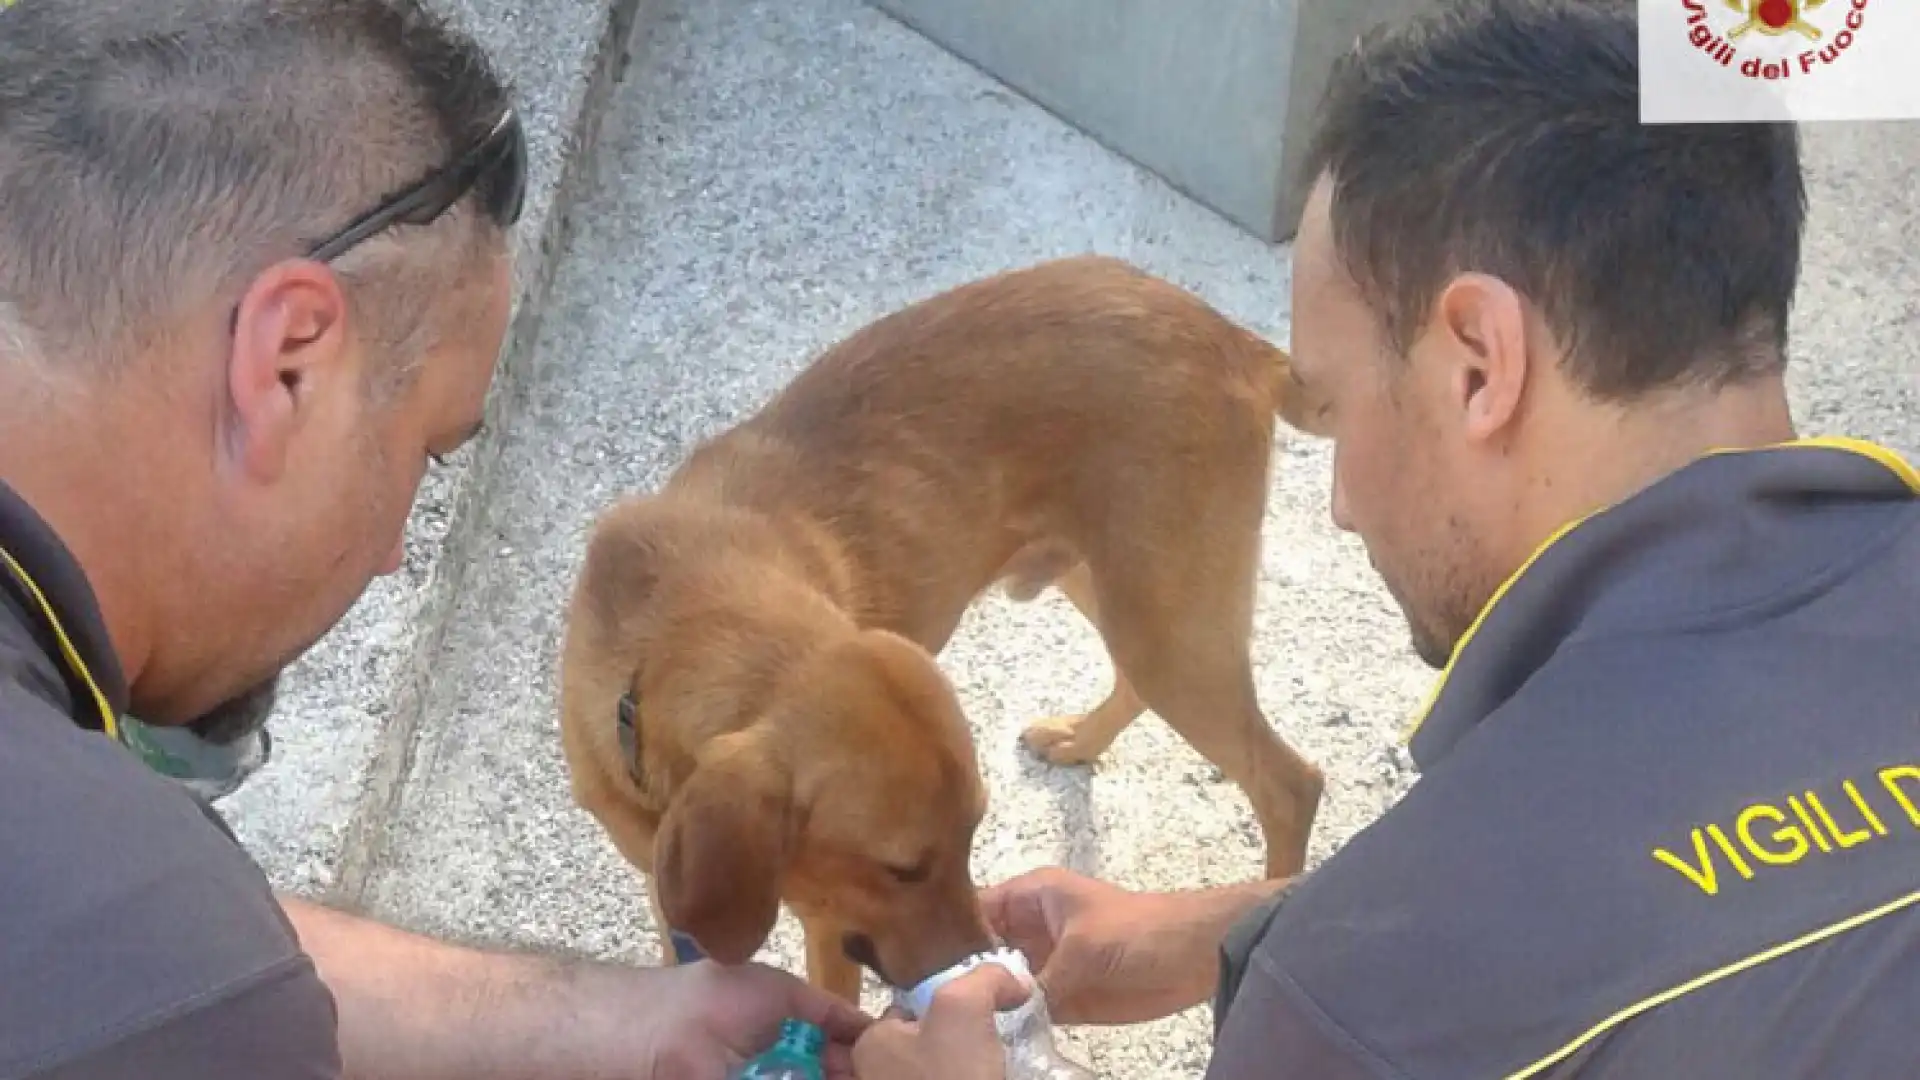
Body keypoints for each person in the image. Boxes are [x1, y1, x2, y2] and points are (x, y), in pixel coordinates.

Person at [853, 0, 1920, 1076]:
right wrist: (1260, 928)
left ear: (1479, 365)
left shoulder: (1362, 1018)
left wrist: (1320, 967)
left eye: (1335, 409)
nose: (1342, 504)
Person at [0, 1, 867, 1077]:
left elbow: (126, 951)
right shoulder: (159, 992)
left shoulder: (109, 937)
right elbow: (161, 987)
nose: (390, 552)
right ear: (289, 364)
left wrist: (612, 1027)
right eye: (426, 452)